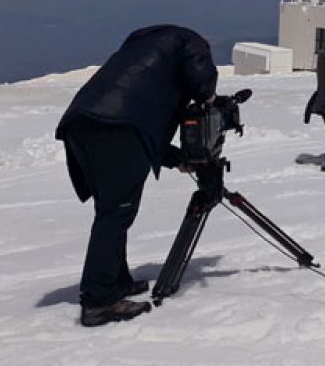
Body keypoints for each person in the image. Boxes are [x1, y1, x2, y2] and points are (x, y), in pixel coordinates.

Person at [55, 25, 218, 327]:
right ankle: (99, 301)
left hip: (84, 121)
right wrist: (209, 98)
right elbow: (200, 80)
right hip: (114, 128)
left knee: (112, 209)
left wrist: (176, 159)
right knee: (115, 213)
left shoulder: (144, 44)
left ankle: (116, 281)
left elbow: (141, 118)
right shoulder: (190, 41)